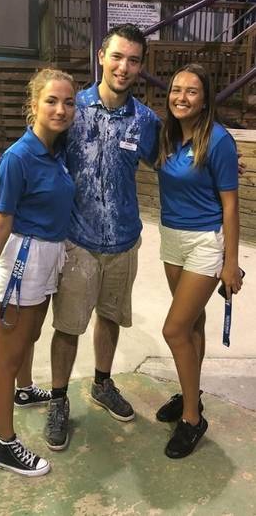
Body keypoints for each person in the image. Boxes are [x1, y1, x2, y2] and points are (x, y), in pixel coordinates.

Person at [0, 24, 162, 452]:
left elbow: (169, 165)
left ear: (140, 66)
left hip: (124, 239)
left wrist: (217, 172)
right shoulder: (73, 108)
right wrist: (0, 170)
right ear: (100, 56)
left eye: (133, 60)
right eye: (117, 56)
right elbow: (38, 148)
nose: (124, 66)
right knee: (67, 327)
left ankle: (103, 383)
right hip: (77, 241)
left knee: (112, 318)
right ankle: (59, 399)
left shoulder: (146, 120)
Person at [0, 68, 77, 477]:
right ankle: (4, 445)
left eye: (68, 102)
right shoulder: (18, 156)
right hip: (23, 262)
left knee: (30, 335)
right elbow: (1, 221)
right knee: (6, 359)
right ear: (33, 105)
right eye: (51, 100)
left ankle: (25, 392)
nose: (61, 109)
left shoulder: (57, 150)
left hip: (50, 256)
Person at [153, 64, 241, 458]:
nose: (181, 98)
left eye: (191, 91)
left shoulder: (218, 141)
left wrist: (230, 261)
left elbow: (231, 205)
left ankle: (192, 419)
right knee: (193, 325)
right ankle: (194, 394)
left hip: (206, 242)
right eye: (176, 90)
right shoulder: (166, 136)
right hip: (172, 238)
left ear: (205, 99)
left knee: (174, 330)